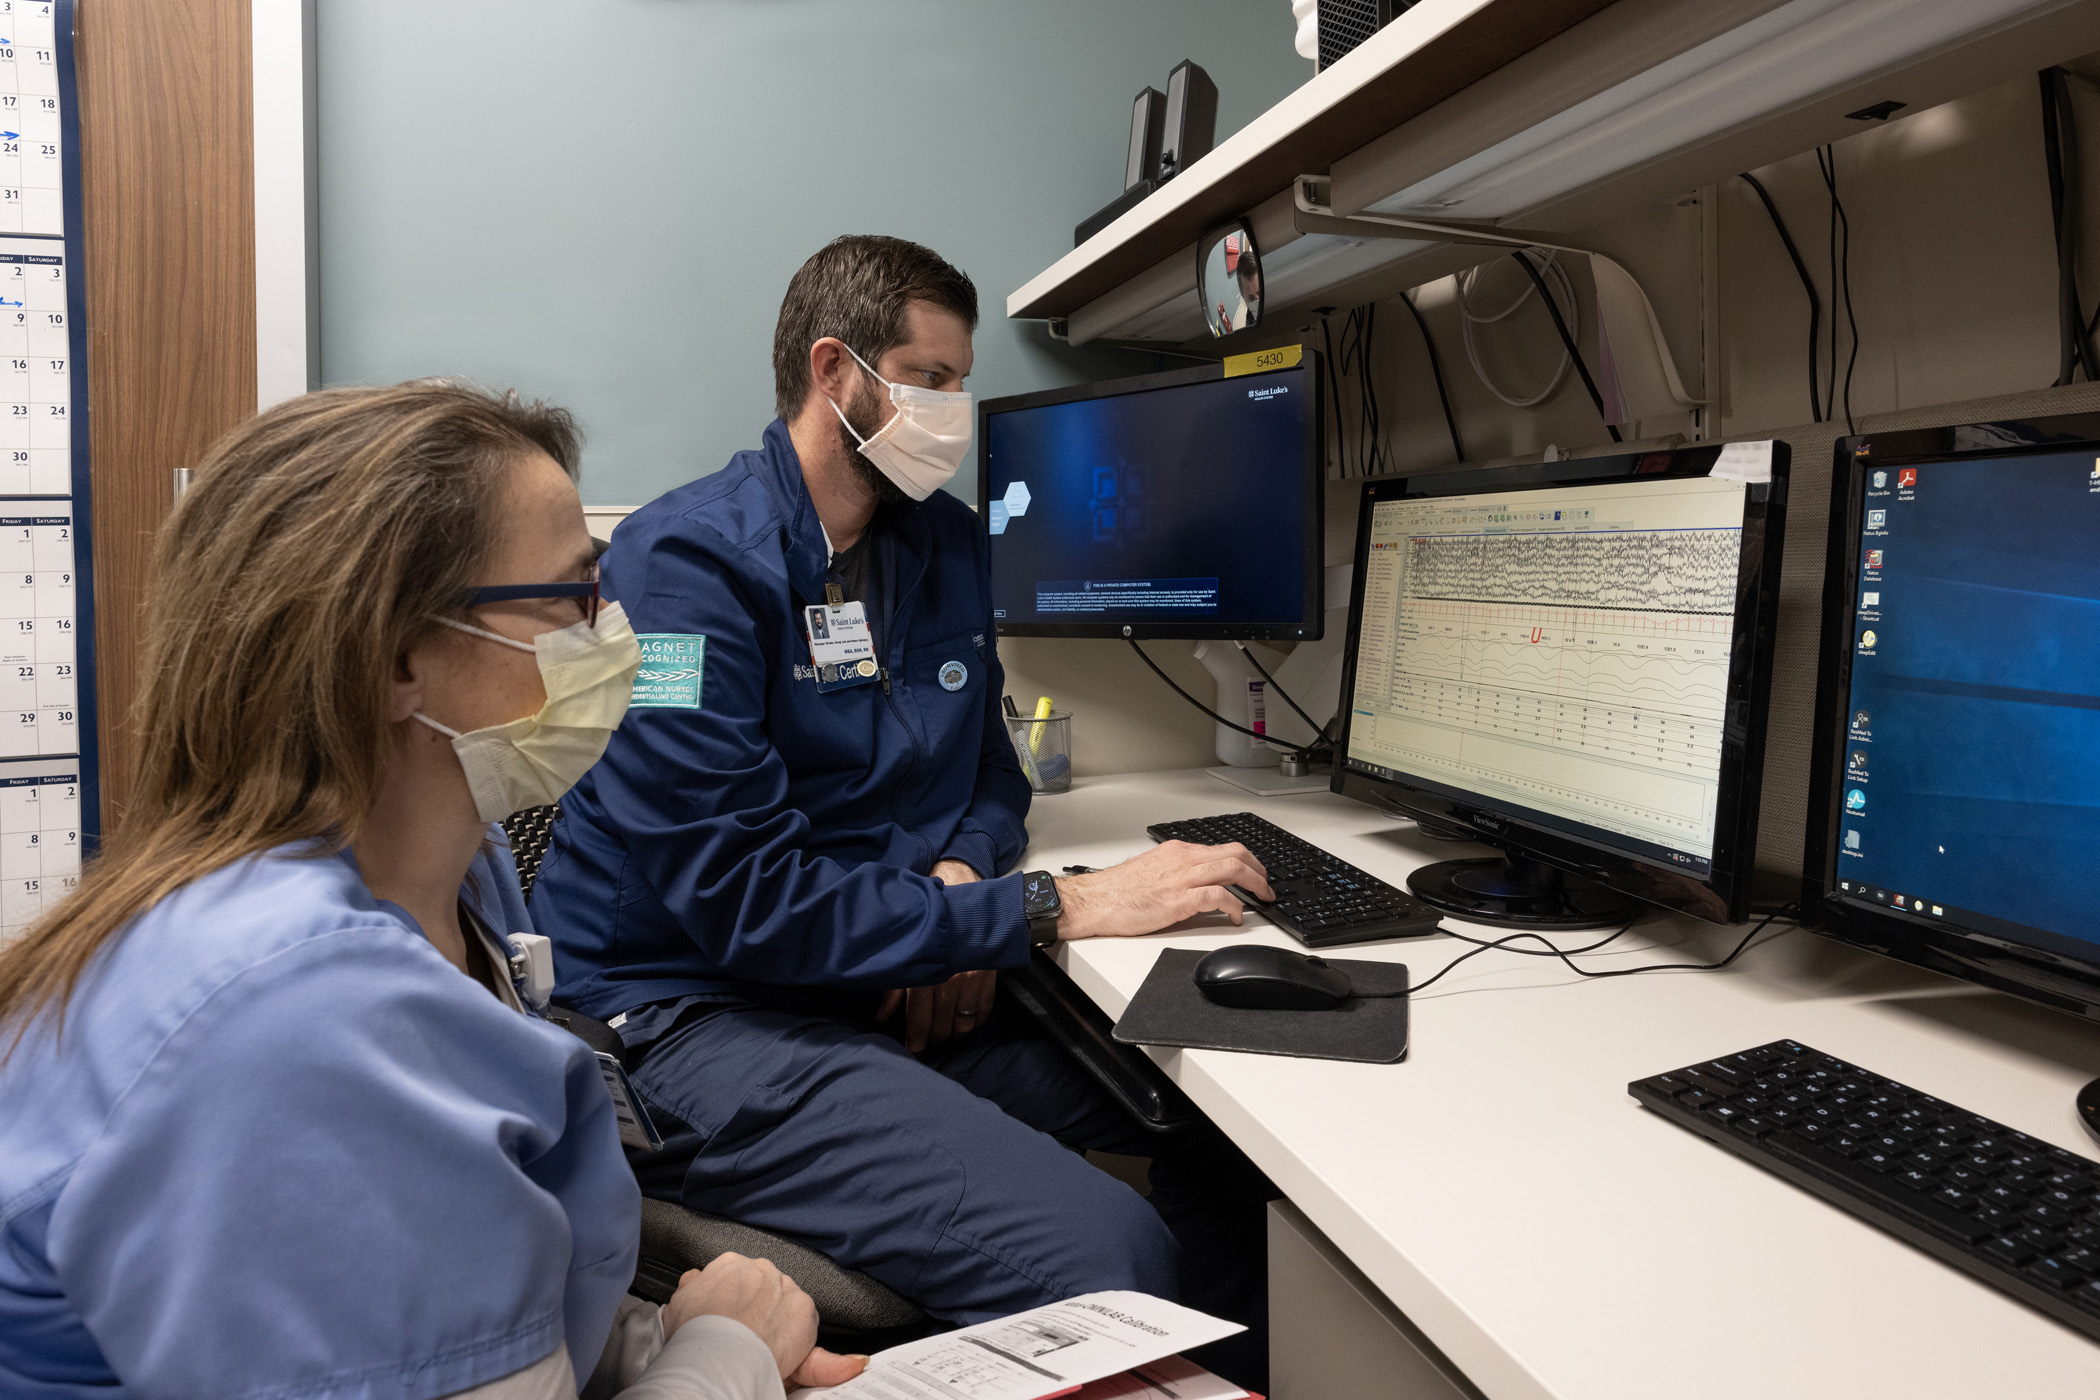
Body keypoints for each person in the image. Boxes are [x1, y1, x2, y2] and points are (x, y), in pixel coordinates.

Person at [0, 383, 863, 1399]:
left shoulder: (460, 871)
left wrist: (662, 1342)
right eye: (574, 595)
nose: (612, 633)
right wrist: (730, 1348)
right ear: (400, 656)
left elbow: (463, 1308)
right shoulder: (299, 1008)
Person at [532, 236, 1277, 1385]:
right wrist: (1038, 912)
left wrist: (961, 883)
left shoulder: (942, 546)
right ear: (837, 374)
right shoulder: (681, 569)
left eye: (958, 382)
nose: (954, 409)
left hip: (884, 974)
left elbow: (994, 776)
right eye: (930, 379)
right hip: (692, 1013)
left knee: (1223, 1116)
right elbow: (750, 905)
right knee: (1111, 1250)